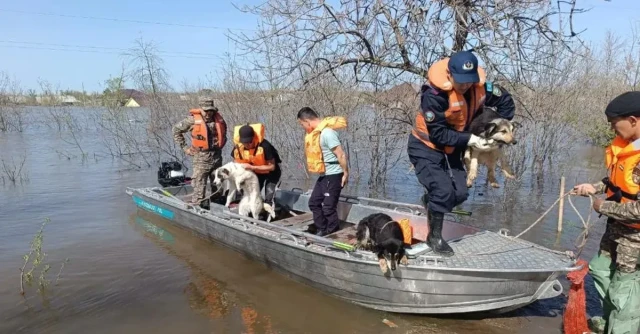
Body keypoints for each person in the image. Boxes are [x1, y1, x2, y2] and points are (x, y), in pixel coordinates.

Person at [408, 50, 515, 256]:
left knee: (460, 193)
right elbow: (438, 134)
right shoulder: (434, 95)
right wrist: (472, 139)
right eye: (461, 81)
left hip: (452, 149)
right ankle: (434, 238)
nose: (465, 85)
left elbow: (506, 102)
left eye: (469, 80)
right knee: (443, 191)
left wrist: (492, 127)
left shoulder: (483, 88)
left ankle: (431, 203)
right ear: (449, 75)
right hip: (426, 148)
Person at [572, 91, 640, 334]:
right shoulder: (629, 146)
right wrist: (596, 187)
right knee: (600, 269)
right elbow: (620, 180)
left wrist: (603, 206)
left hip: (635, 240)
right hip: (615, 231)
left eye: (614, 124)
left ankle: (622, 328)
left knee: (626, 293)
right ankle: (611, 321)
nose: (613, 130)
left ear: (633, 120)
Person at [297, 107, 349, 236]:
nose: (303, 127)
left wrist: (345, 173)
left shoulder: (327, 133)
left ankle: (332, 232)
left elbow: (341, 155)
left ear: (307, 121)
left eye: (302, 124)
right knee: (314, 203)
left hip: (334, 174)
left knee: (328, 207)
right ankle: (322, 229)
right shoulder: (316, 134)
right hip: (324, 175)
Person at [172, 98, 228, 206]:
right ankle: (197, 207)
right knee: (199, 185)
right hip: (201, 158)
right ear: (200, 109)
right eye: (205, 111)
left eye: (210, 110)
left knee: (218, 184)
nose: (208, 113)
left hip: (217, 157)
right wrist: (185, 148)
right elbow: (175, 130)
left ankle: (217, 205)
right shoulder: (192, 120)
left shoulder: (219, 119)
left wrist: (222, 142)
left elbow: (224, 132)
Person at [231, 123, 282, 204]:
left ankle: (270, 211)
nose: (247, 145)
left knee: (269, 197)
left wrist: (252, 168)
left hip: (272, 172)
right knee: (252, 194)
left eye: (249, 142)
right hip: (256, 172)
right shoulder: (238, 147)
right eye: (245, 142)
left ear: (253, 138)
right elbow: (235, 162)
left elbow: (272, 167)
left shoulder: (265, 146)